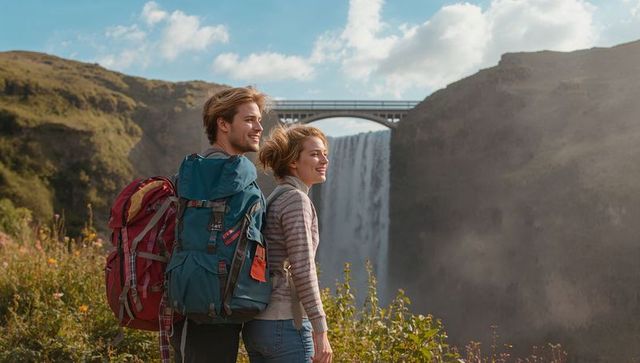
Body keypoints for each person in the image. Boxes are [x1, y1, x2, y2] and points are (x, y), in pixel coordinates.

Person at [169, 86, 267, 363]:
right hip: (232, 306)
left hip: (201, 309)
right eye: (249, 120)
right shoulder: (238, 178)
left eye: (259, 120)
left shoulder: (190, 176)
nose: (259, 127)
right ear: (223, 124)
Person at [243, 125, 333, 363]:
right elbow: (303, 269)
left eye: (324, 153)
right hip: (285, 325)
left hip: (258, 325)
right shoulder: (296, 200)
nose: (324, 159)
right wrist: (320, 329)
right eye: (315, 154)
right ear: (293, 161)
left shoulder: (274, 197)